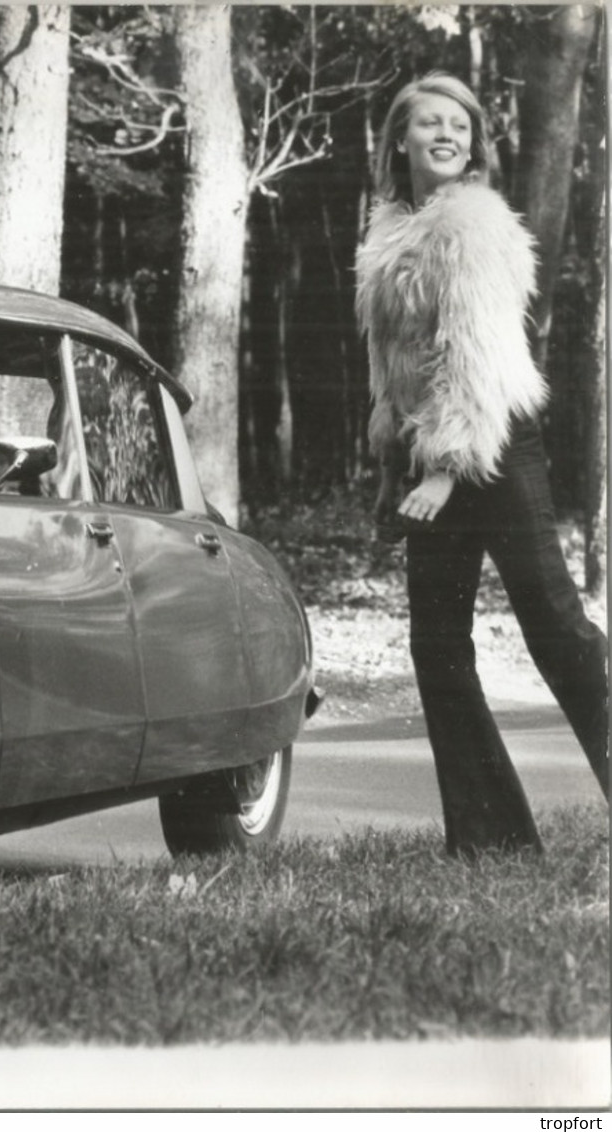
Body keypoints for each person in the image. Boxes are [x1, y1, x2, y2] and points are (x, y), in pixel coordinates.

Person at [354, 71, 609, 856]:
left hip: (492, 441)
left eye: (458, 128)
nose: (444, 135)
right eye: (428, 123)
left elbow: (476, 355)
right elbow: (395, 368)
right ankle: (491, 839)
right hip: (429, 448)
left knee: (555, 626)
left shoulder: (473, 224)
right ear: (399, 139)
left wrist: (441, 470)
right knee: (435, 644)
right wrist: (396, 468)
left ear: (471, 147)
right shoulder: (390, 226)